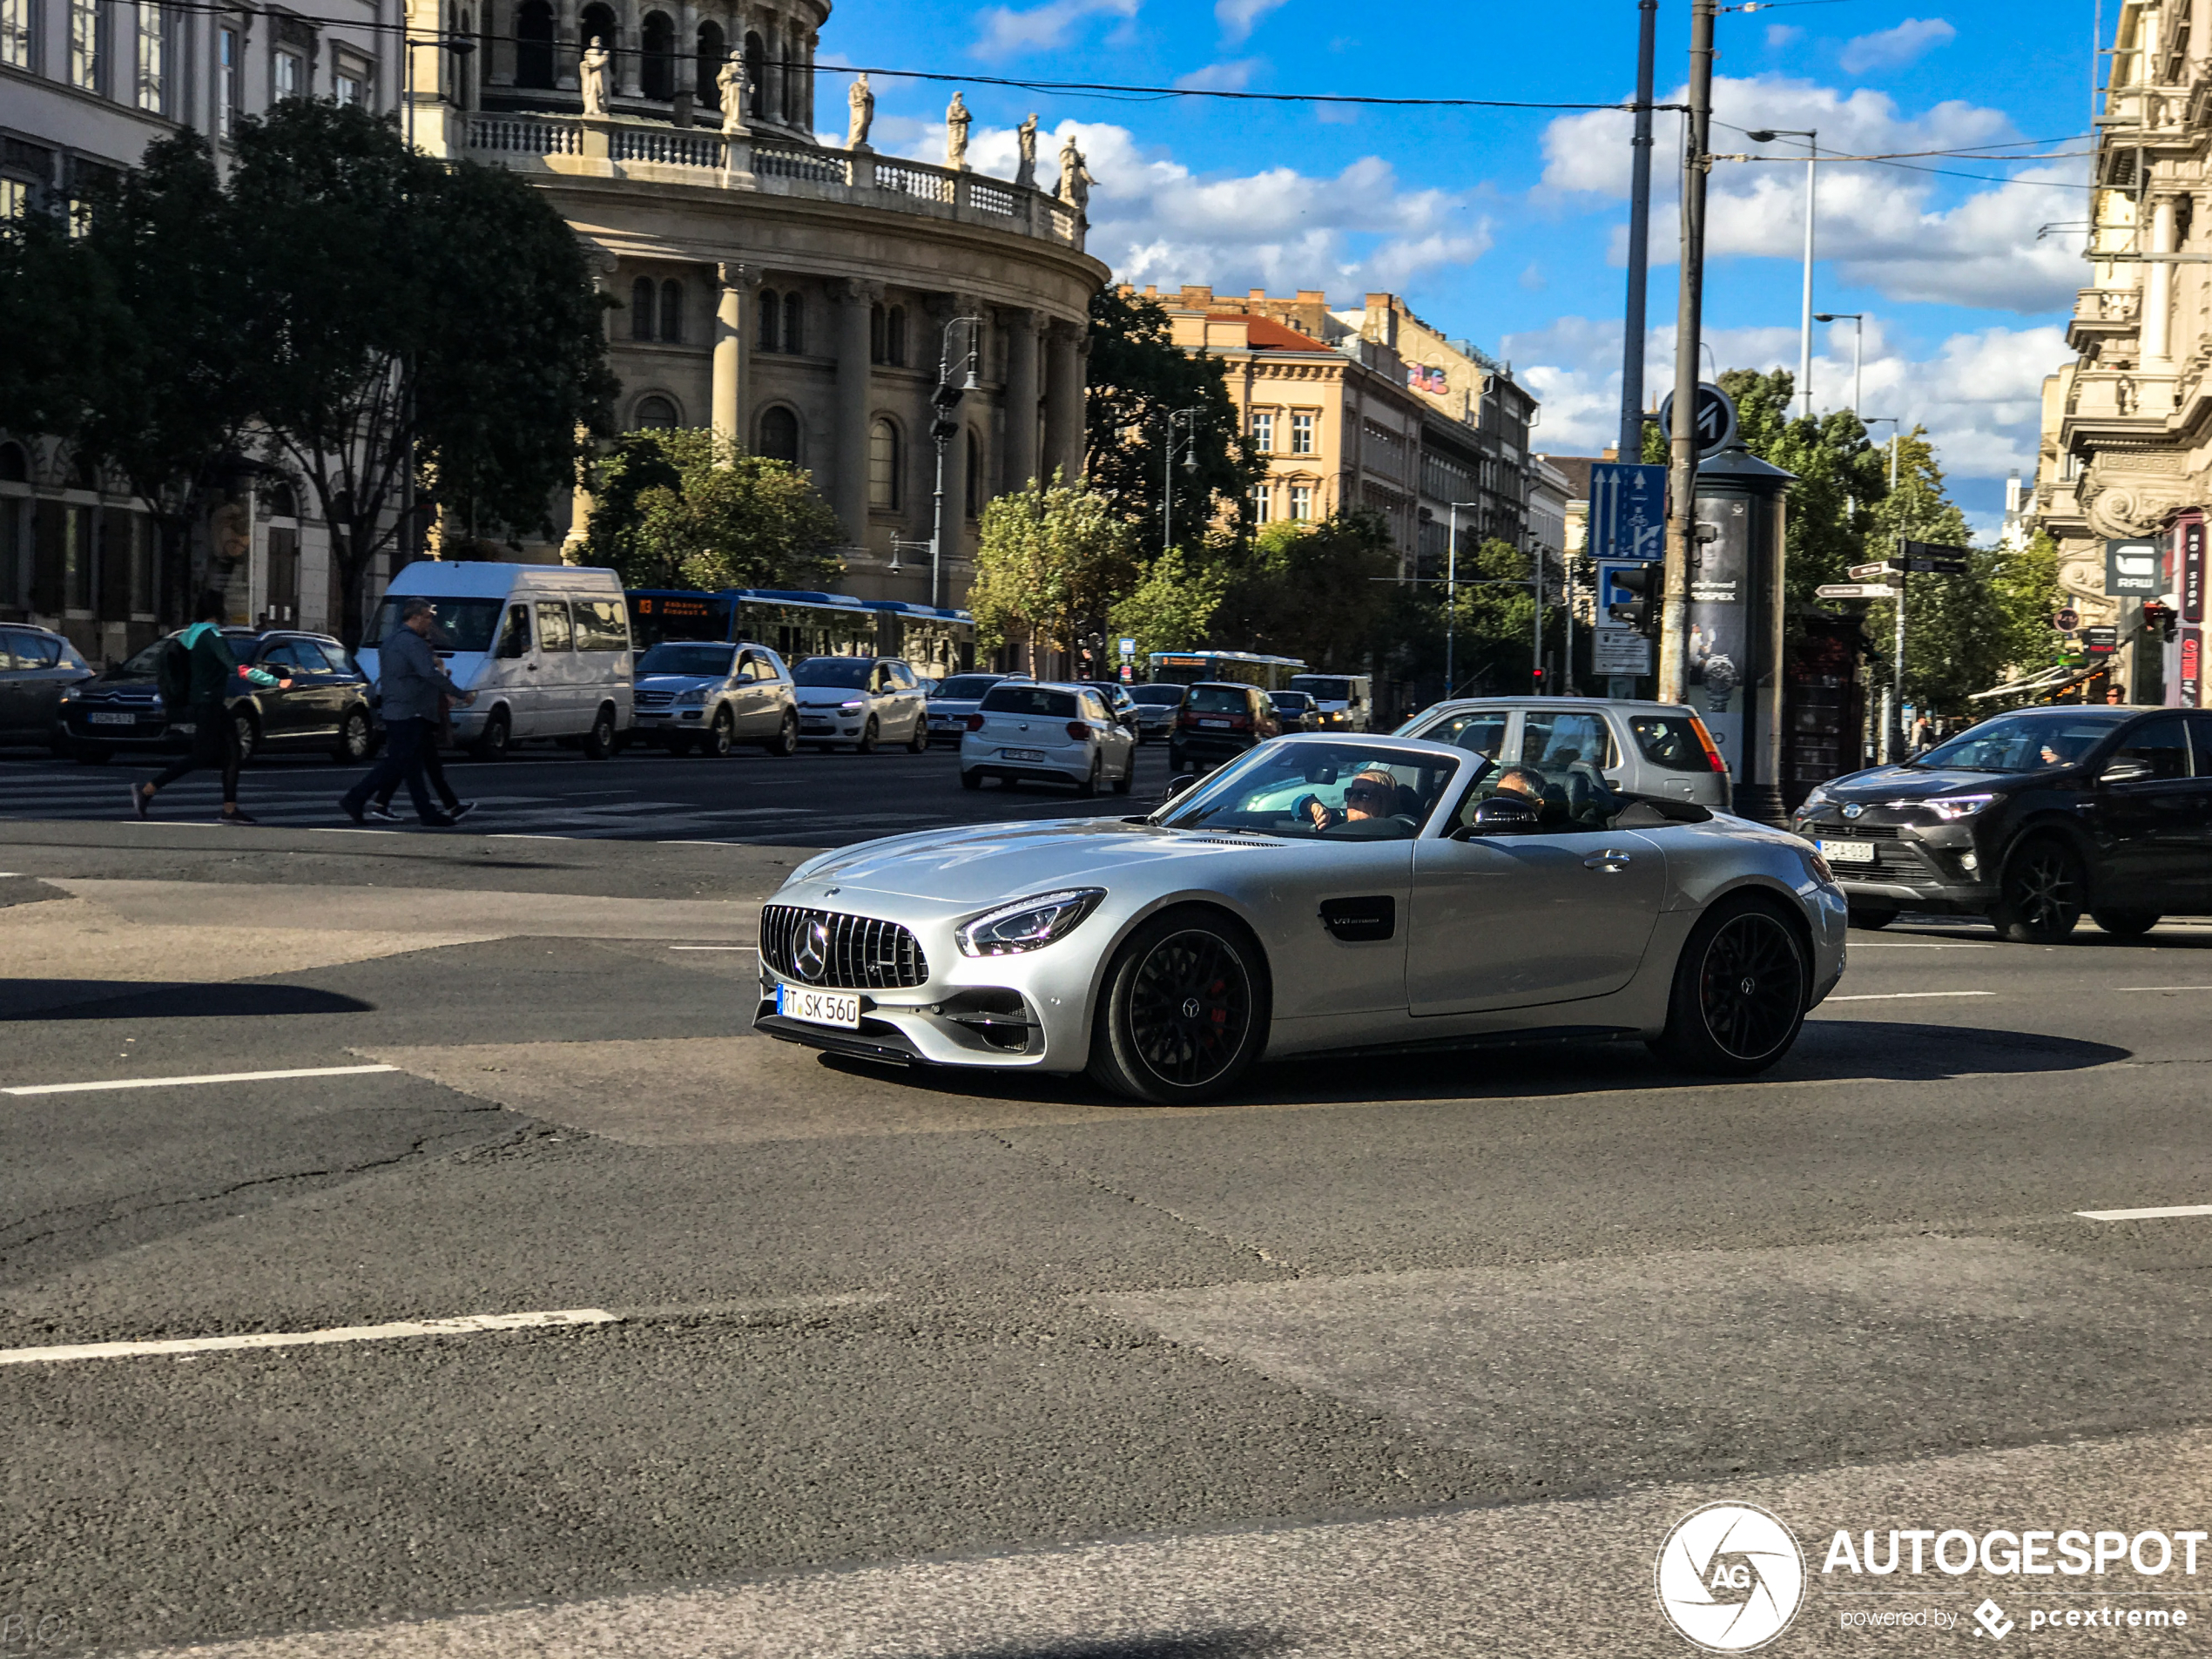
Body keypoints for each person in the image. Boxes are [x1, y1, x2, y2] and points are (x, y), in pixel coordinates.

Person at [131, 592, 289, 826]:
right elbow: (237, 668)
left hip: (200, 700)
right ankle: (147, 790)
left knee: (231, 751)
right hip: (209, 702)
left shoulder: (190, 633)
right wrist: (276, 682)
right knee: (202, 755)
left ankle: (229, 808)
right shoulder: (212, 635)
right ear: (218, 610)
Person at [342, 597, 474, 827]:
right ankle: (356, 797)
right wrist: (460, 693)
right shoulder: (412, 643)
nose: (430, 623)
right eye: (427, 618)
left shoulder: (391, 640)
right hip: (411, 711)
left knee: (412, 766)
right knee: (397, 762)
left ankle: (427, 812)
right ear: (415, 617)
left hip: (397, 709)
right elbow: (429, 674)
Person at [1305, 767, 1397, 831]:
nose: (1352, 799)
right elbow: (1299, 802)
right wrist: (1313, 804)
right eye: (1350, 793)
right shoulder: (1333, 820)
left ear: (1383, 801)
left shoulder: (1395, 833)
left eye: (1363, 795)